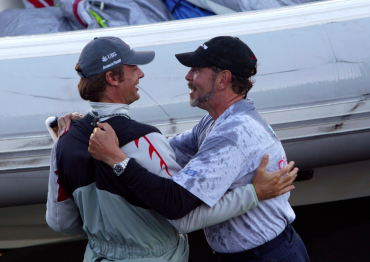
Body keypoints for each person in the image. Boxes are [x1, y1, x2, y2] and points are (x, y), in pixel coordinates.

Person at [46, 36, 298, 262]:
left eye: (196, 69)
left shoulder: (233, 134)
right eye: (134, 68)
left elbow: (178, 210)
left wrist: (113, 158)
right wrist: (87, 129)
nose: (188, 76)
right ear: (112, 78)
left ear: (223, 79)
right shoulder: (210, 122)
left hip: (265, 255)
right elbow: (162, 153)